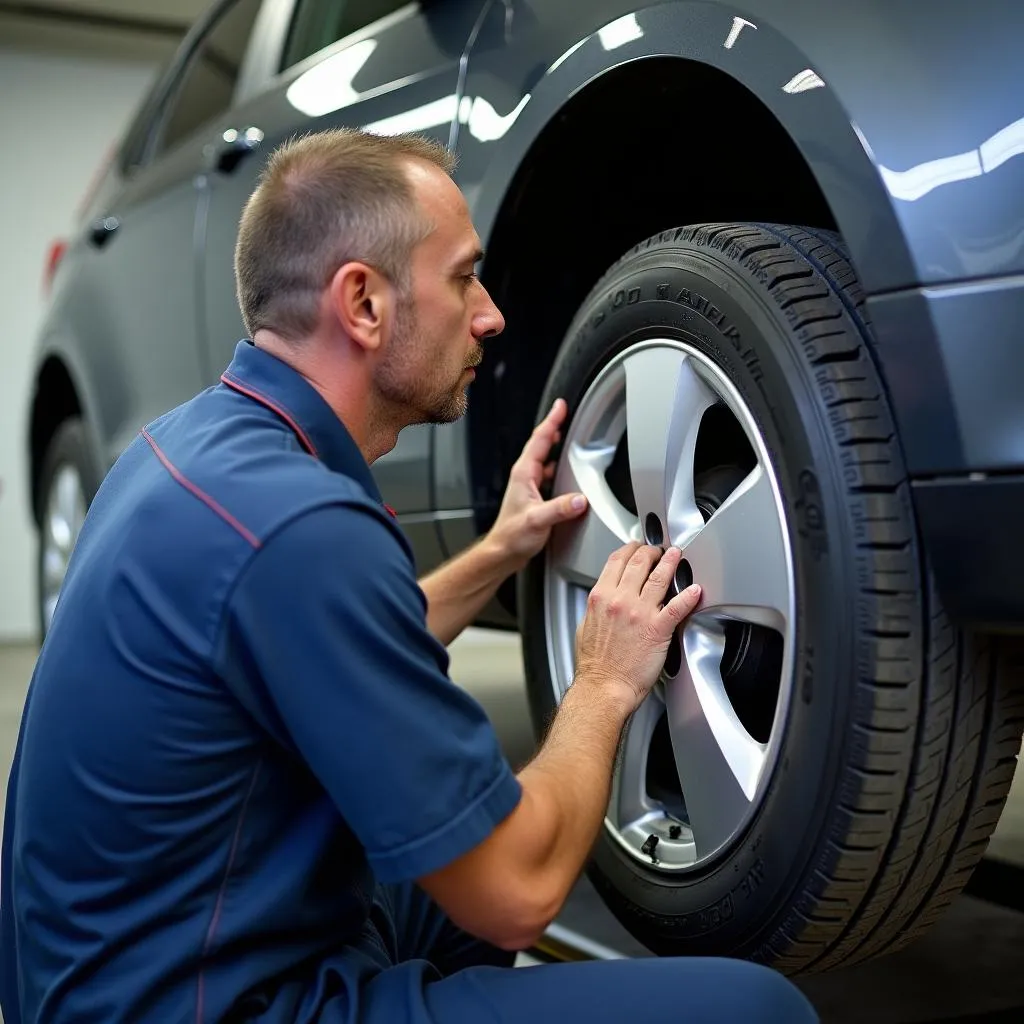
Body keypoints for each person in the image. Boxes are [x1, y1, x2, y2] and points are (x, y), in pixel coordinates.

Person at [0, 128, 818, 1024]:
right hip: (216, 1005)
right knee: (756, 1010)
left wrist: (501, 552)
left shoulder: (184, 453)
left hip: (108, 975)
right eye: (464, 276)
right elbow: (519, 888)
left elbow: (325, 649)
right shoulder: (305, 528)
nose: (492, 313)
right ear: (364, 304)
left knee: (443, 902)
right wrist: (605, 682)